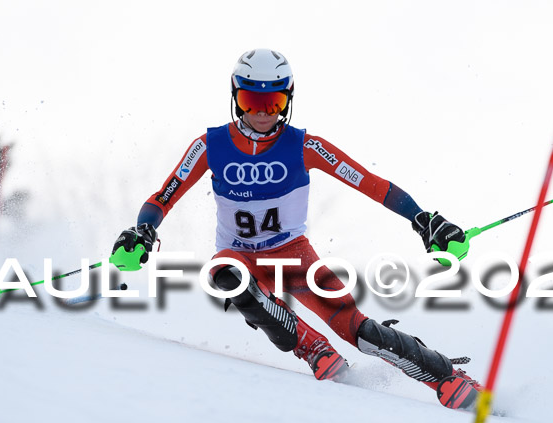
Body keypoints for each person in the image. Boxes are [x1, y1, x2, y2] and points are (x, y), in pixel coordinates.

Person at [112, 49, 480, 398]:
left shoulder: (305, 145)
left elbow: (369, 183)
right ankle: (313, 348)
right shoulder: (210, 145)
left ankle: (447, 378)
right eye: (251, 102)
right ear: (235, 97)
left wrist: (421, 219)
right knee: (225, 273)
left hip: (295, 259)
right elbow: (164, 195)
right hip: (240, 256)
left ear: (288, 100)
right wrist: (144, 230)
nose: (262, 113)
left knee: (360, 332)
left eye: (273, 103)